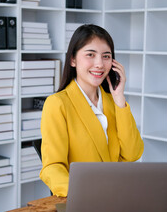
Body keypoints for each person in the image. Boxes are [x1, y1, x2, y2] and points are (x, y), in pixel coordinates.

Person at [39, 24, 144, 197]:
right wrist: (82, 193)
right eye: (90, 55)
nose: (99, 64)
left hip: (117, 193)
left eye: (106, 56)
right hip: (84, 198)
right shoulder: (57, 104)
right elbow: (52, 167)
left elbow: (132, 154)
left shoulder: (113, 102)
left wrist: (120, 99)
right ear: (73, 59)